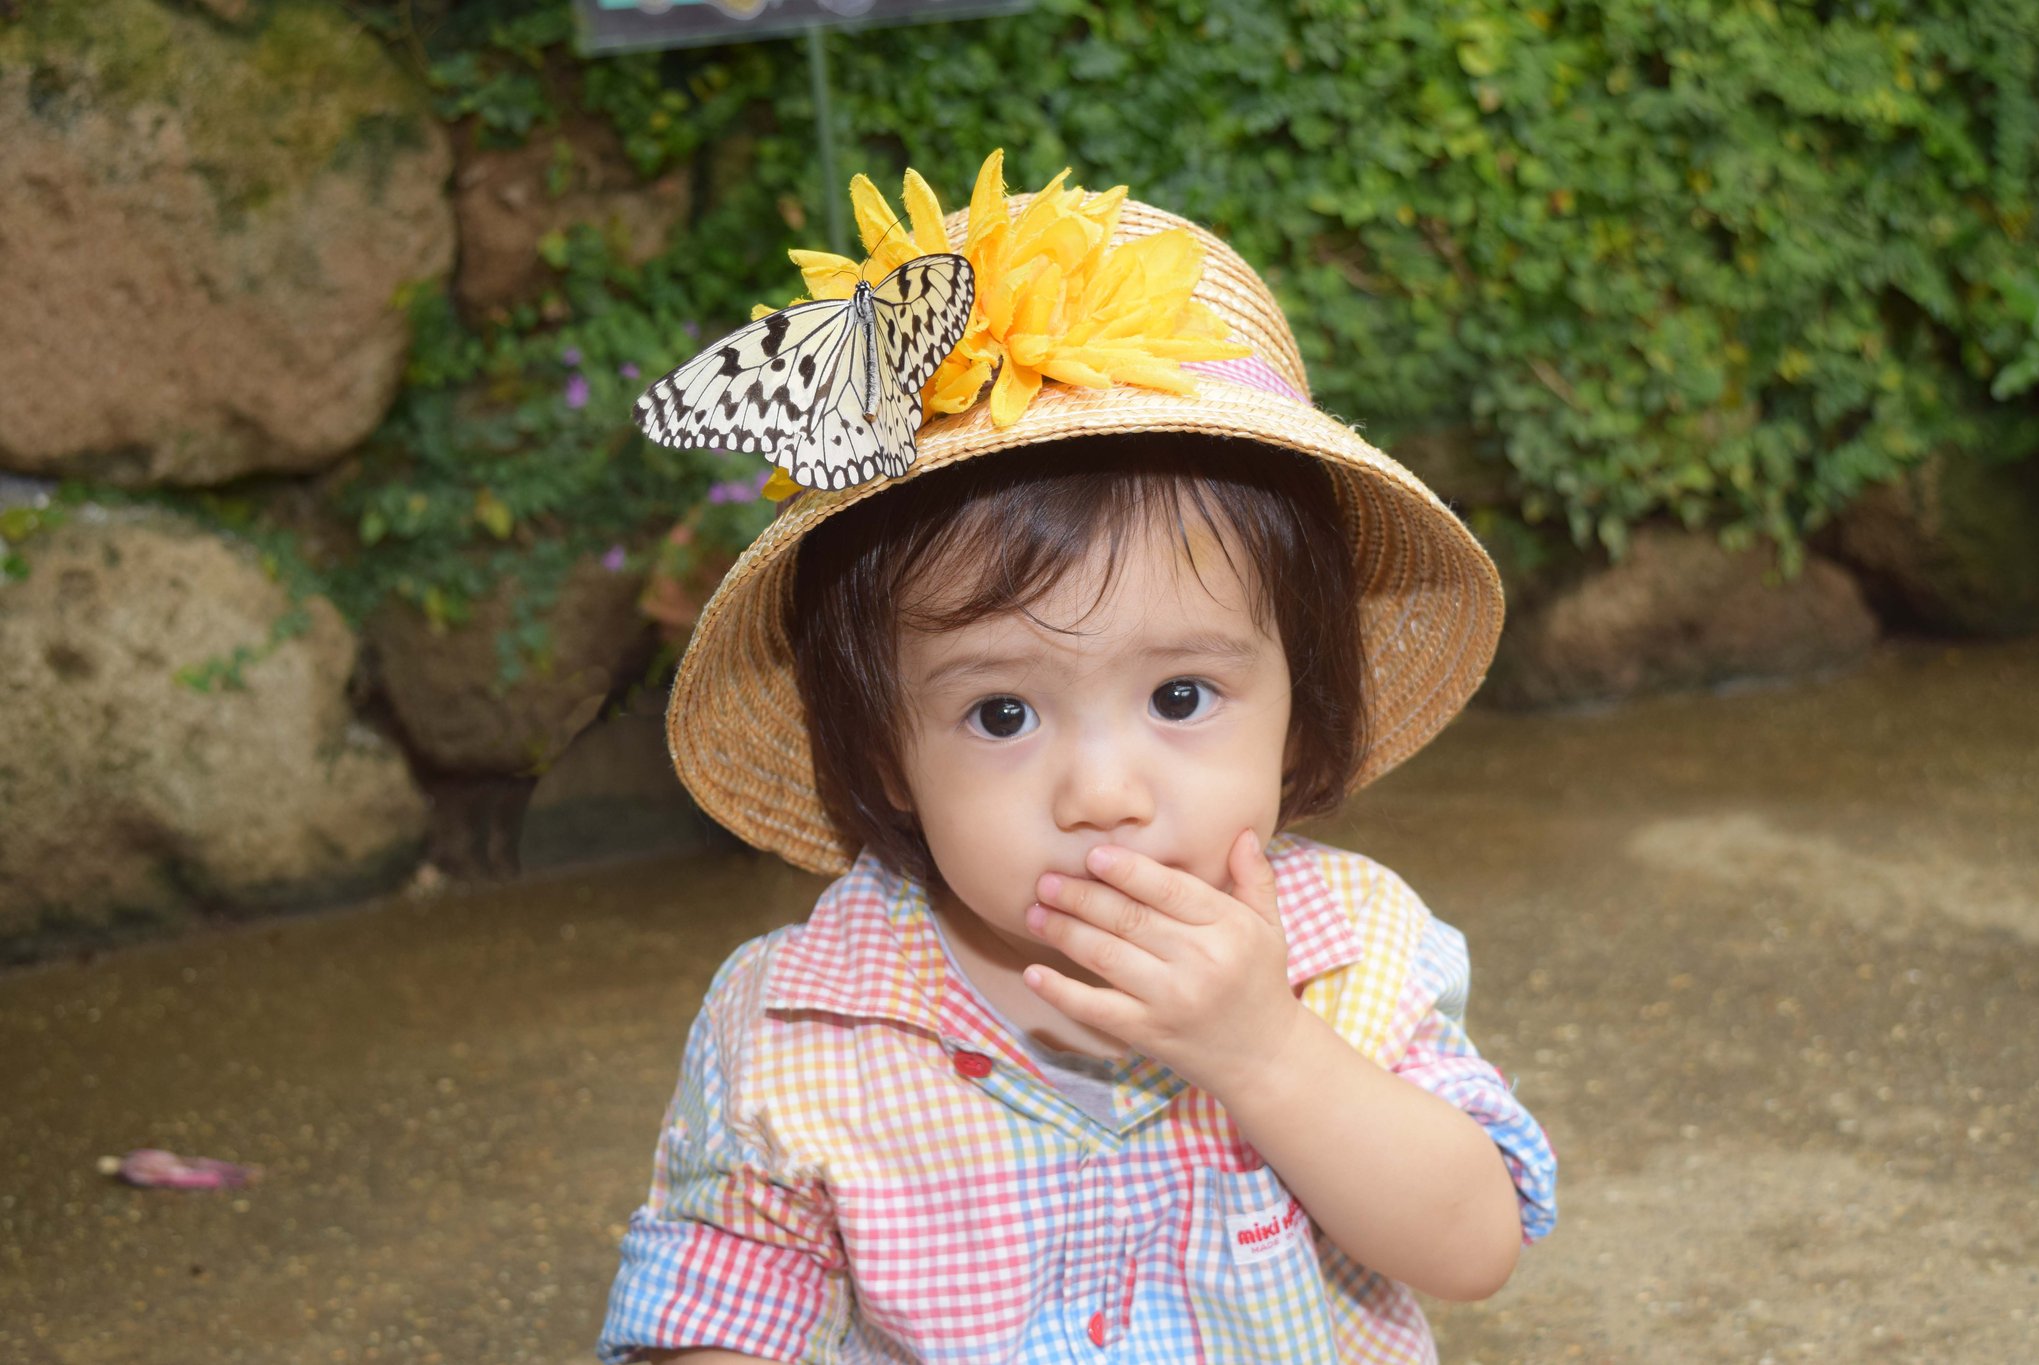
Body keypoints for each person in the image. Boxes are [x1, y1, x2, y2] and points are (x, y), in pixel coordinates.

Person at [600, 167, 1557, 1364]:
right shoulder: (800, 1025)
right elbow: (714, 1313)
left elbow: (1471, 1247)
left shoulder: (1347, 959)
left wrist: (1266, 1052)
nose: (1101, 792)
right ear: (887, 751)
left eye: (1178, 697)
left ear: (1301, 717)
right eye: (1000, 714)